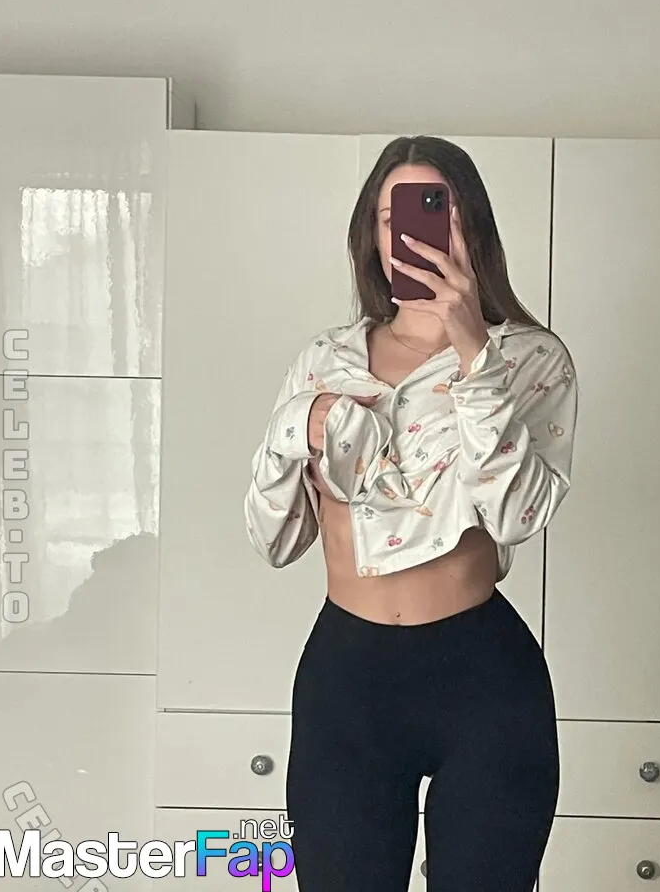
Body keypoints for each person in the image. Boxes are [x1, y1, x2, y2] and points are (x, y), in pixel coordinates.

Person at [244, 135, 578, 892]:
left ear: (472, 225)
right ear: (372, 232)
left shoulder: (532, 359)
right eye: (396, 214)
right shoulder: (324, 360)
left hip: (483, 682)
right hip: (346, 682)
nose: (416, 231)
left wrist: (474, 355)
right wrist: (297, 426)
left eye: (438, 208)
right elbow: (273, 540)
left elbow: (520, 514)